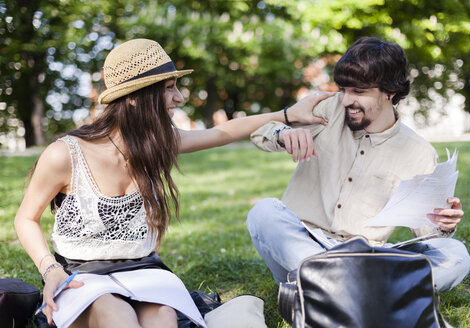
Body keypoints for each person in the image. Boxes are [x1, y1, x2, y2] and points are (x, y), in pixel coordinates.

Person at [14, 38, 331, 327]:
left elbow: (225, 132)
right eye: (168, 88)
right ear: (135, 98)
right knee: (116, 315)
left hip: (142, 271)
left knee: (163, 318)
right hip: (81, 274)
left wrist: (288, 115)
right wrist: (49, 269)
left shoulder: (157, 144)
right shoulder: (64, 155)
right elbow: (26, 218)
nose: (179, 98)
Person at [247, 37, 470, 292]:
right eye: (343, 89)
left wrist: (443, 224)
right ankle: (357, 291)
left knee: (455, 253)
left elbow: (426, 231)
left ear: (390, 92)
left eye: (358, 92)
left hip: (367, 256)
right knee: (263, 212)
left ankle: (332, 290)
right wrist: (283, 134)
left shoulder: (419, 152)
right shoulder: (326, 109)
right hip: (302, 245)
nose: (345, 100)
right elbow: (259, 130)